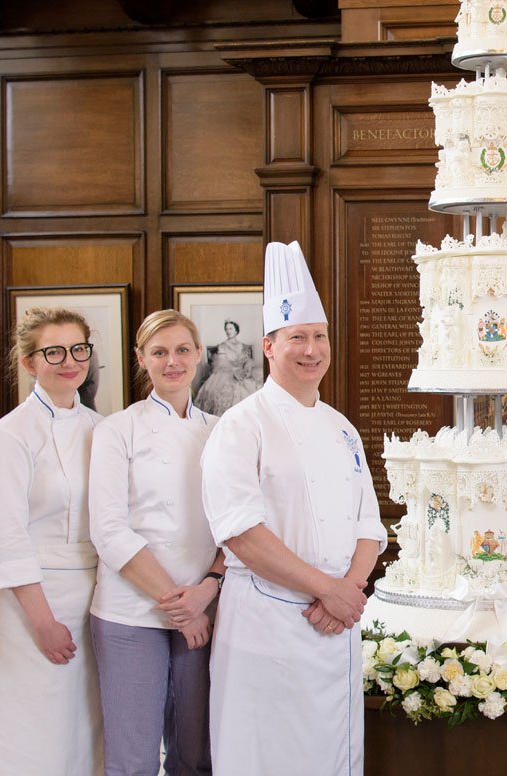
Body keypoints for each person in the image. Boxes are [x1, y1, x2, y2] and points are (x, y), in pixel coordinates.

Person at [202, 242, 387, 775]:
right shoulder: (241, 426)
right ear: (268, 346)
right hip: (268, 624)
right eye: (297, 337)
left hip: (335, 624)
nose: (311, 350)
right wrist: (327, 589)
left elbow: (368, 525)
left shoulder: (341, 428)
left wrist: (346, 590)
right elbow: (241, 534)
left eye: (319, 336)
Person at [89, 310, 224, 776]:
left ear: (199, 354)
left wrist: (204, 593)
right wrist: (180, 607)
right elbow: (109, 531)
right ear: (140, 358)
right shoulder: (116, 430)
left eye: (182, 350)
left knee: (197, 755)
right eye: (159, 352)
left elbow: (237, 525)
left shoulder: (221, 432)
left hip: (205, 606)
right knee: (133, 759)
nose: (172, 361)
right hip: (131, 611)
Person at [0, 307, 108, 775]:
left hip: (92, 594)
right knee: (33, 725)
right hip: (30, 602)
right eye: (53, 352)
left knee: (84, 725)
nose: (69, 361)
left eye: (78, 349)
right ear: (29, 362)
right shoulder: (11, 435)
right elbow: (6, 537)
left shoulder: (100, 428)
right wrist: (42, 621)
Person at [194, 319, 263, 417]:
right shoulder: (222, 346)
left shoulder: (244, 346)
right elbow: (222, 363)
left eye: (231, 329)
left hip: (243, 372)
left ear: (236, 330)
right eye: (226, 329)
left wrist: (247, 367)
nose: (228, 331)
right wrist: (235, 371)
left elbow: (248, 360)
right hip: (227, 373)